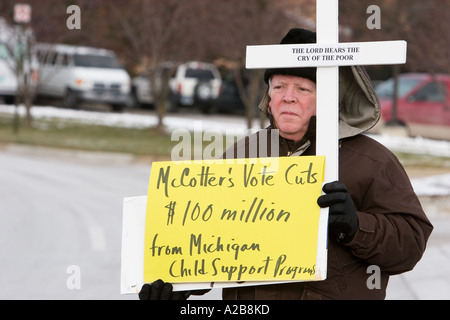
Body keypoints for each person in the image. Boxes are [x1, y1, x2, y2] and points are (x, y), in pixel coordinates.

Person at [139, 28, 433, 300]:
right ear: (268, 97)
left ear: (329, 98)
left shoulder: (372, 162)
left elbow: (411, 244)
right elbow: (209, 241)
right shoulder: (241, 156)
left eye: (303, 89)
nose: (288, 98)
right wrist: (180, 284)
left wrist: (356, 226)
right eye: (279, 87)